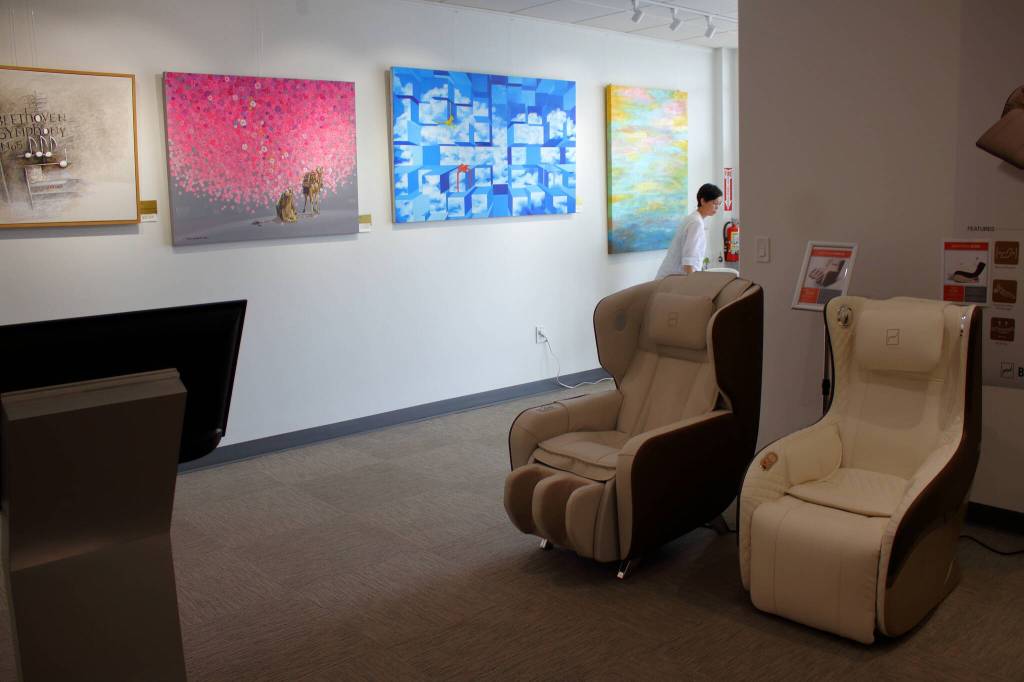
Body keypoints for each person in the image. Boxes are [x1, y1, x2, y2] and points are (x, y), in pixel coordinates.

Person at [656, 183, 723, 279]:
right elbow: (689, 261)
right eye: (714, 203)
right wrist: (692, 284)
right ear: (703, 201)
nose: (717, 207)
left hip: (671, 277)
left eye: (719, 204)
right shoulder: (696, 223)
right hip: (674, 279)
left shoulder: (693, 218)